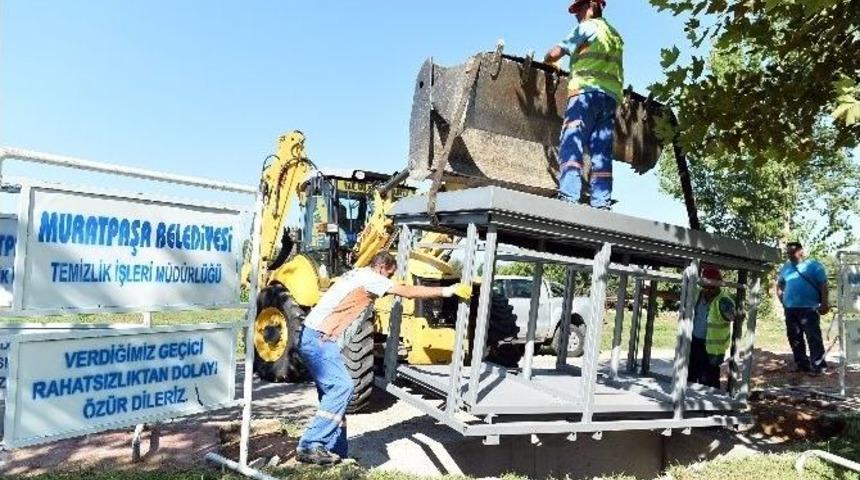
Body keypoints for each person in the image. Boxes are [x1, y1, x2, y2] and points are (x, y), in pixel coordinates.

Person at [295, 251, 472, 465]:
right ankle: (310, 445)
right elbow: (407, 292)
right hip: (320, 339)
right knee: (343, 387)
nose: (387, 281)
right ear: (381, 268)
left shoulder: (357, 274)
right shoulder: (370, 278)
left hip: (315, 337)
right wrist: (447, 290)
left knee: (332, 396)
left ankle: (336, 451)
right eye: (388, 275)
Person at [544, 0, 624, 209]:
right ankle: (602, 203)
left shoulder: (586, 27)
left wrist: (548, 61)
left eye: (578, 8)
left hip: (584, 94)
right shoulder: (615, 35)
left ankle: (569, 197)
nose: (576, 14)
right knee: (602, 152)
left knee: (572, 140)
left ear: (591, 6)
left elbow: (555, 53)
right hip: (609, 99)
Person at [777, 242, 830, 375]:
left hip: (809, 308)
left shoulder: (814, 266)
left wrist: (824, 304)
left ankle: (819, 366)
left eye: (792, 252)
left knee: (813, 337)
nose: (790, 255)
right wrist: (782, 300)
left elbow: (823, 285)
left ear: (801, 251)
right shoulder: (786, 268)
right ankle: (802, 364)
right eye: (788, 252)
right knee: (794, 337)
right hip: (790, 309)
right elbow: (780, 284)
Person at [688, 266, 738, 389]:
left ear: (718, 285)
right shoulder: (699, 295)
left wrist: (735, 316)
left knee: (708, 380)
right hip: (695, 341)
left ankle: (710, 407)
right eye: (705, 286)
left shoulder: (723, 300)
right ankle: (689, 403)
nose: (708, 290)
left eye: (712, 287)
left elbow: (732, 315)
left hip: (712, 348)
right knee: (690, 375)